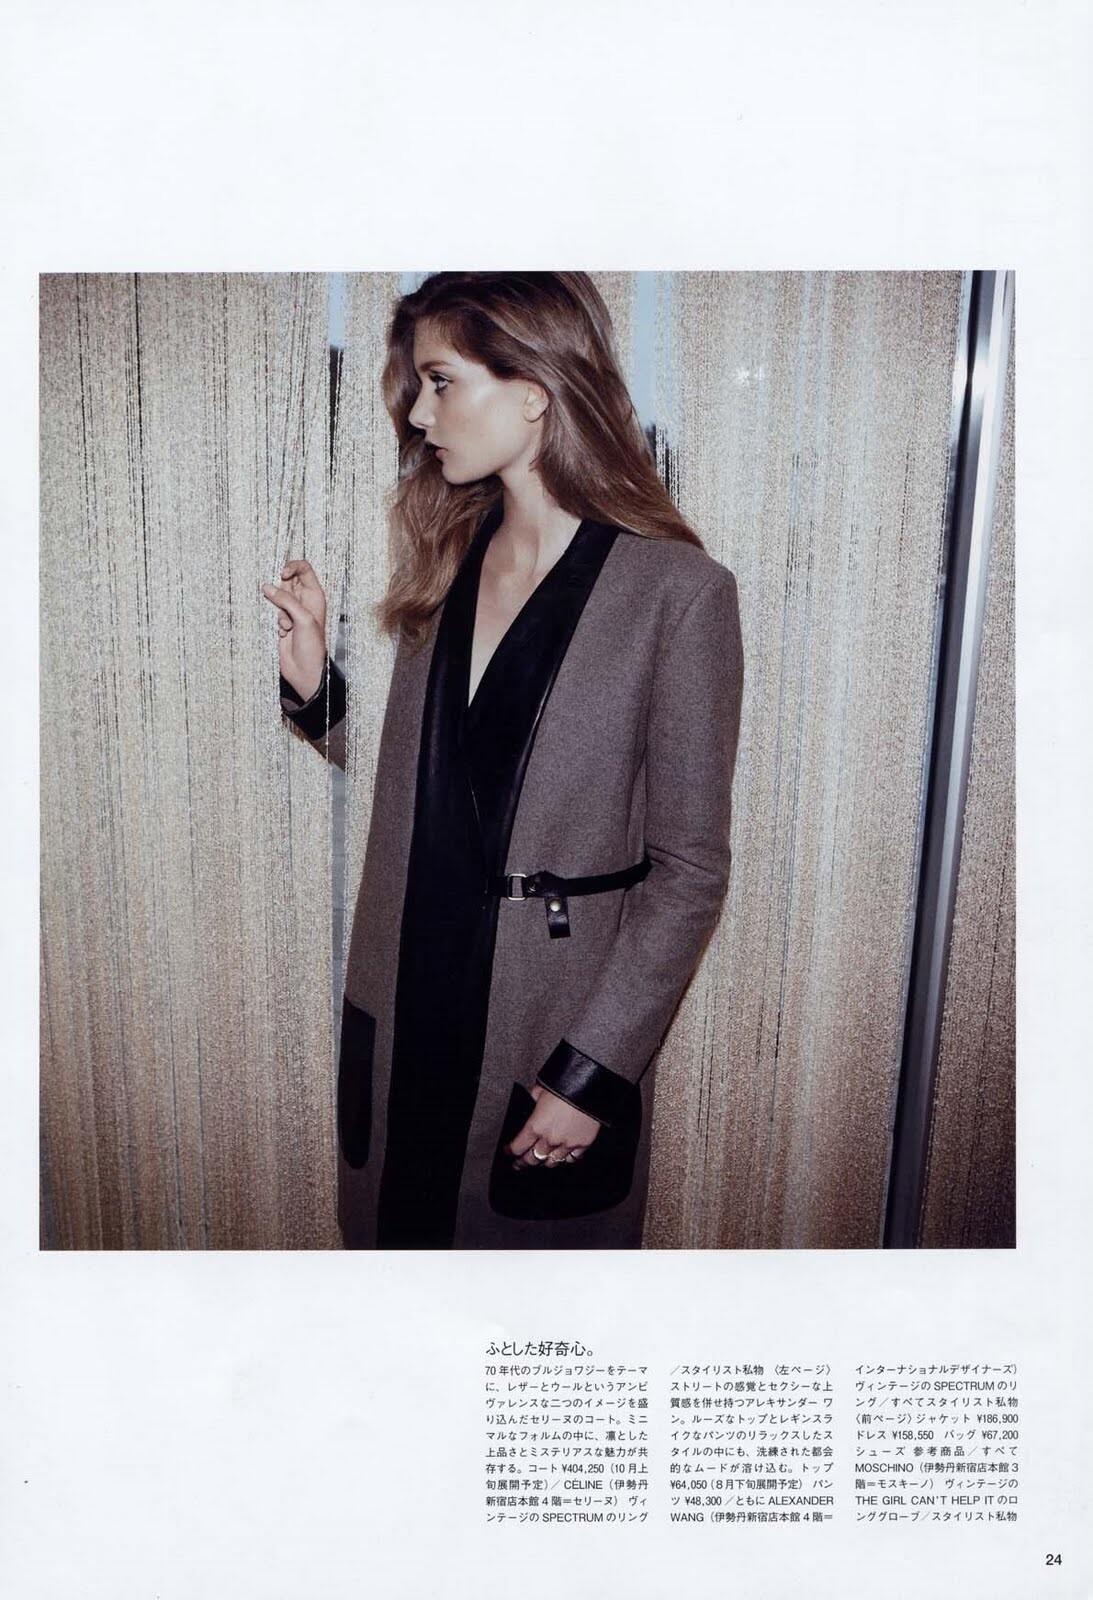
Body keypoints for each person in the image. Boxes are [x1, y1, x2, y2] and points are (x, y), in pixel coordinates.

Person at [261, 271, 744, 1250]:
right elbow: (431, 782)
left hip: (544, 1026)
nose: (417, 411)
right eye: (418, 386)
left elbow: (690, 871)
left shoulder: (678, 594)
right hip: (407, 995)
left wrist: (591, 1071)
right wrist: (318, 689)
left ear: (532, 392)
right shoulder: (446, 563)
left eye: (440, 381)